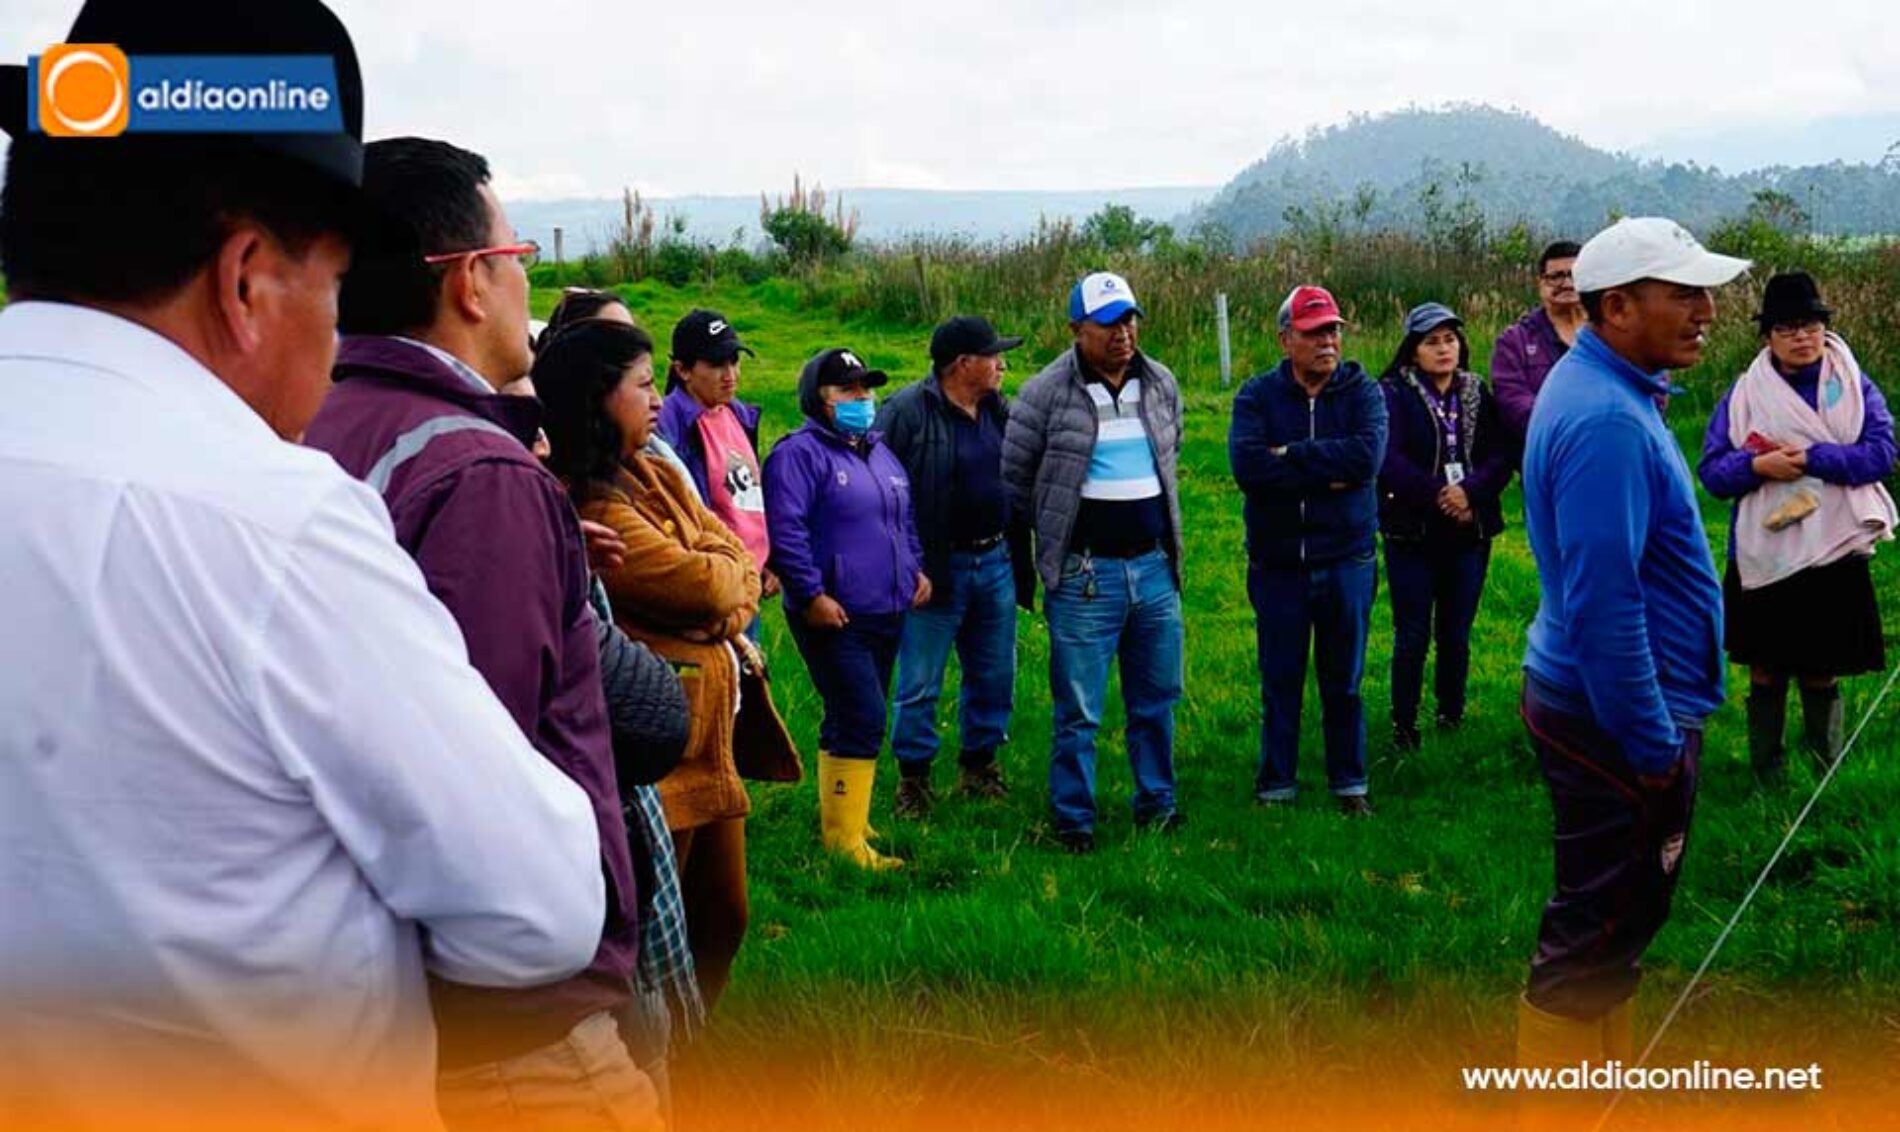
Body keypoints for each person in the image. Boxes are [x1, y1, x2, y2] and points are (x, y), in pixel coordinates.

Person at [0, 4, 604, 1129]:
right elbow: (539, 908)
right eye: (330, 292)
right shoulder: (270, 525)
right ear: (244, 281)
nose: (332, 348)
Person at [301, 138, 657, 1131]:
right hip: (514, 1042)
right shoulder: (476, 474)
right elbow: (478, 793)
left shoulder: (311, 425)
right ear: (467, 281)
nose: (521, 284)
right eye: (518, 257)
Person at [1515, 217, 1748, 1068]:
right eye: (1682, 293)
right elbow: (1604, 605)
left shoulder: (1609, 390)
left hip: (1612, 703)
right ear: (1617, 307)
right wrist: (1653, 746)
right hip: (1616, 715)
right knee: (1594, 934)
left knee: (1610, 927)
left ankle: (1597, 1093)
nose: (1706, 312)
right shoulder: (1607, 422)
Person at [534, 320, 762, 1013]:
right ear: (600, 399)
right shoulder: (590, 501)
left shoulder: (656, 466)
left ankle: (691, 1059)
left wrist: (722, 597)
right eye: (641, 384)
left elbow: (734, 564)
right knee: (661, 928)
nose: (657, 397)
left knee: (726, 916)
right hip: (658, 746)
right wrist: (724, 592)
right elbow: (709, 583)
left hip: (709, 734)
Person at [498, 360, 704, 1121]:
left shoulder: (642, 475)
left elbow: (727, 561)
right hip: (551, 933)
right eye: (523, 420)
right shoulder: (515, 514)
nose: (541, 440)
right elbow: (702, 582)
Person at [1002, 272, 1186, 854]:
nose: (1123, 334)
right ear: (1077, 329)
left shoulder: (1160, 384)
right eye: (1108, 324)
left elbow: (1172, 451)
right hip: (1086, 577)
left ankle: (1158, 802)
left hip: (1154, 571)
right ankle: (1074, 818)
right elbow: (1015, 480)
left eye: (1129, 320)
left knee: (1156, 698)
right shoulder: (1043, 393)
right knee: (1079, 709)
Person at [1697, 271, 1896, 784]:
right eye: (1787, 328)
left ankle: (1823, 767)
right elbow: (1714, 472)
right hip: (1765, 552)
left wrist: (1813, 457)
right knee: (1765, 666)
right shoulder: (1744, 395)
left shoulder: (1852, 384)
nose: (1801, 337)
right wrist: (1757, 468)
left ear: (1824, 328)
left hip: (1833, 548)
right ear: (1767, 338)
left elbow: (1881, 454)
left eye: (1809, 325)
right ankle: (1768, 770)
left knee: (1821, 663)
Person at [765, 348, 929, 869]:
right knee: (862, 711)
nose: (862, 398)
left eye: (866, 389)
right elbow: (786, 529)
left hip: (887, 606)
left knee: (858, 712)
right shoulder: (799, 454)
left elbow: (902, 518)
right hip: (834, 611)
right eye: (848, 391)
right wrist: (811, 594)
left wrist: (916, 569)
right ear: (820, 399)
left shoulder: (879, 451)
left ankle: (849, 818)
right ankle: (844, 843)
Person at [1229, 286, 1387, 816]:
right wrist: (1326, 471)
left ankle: (1350, 783)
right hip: (1278, 564)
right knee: (1280, 678)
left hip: (1347, 559)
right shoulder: (1256, 396)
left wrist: (1291, 456)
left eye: (1333, 330)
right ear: (1285, 339)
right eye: (1314, 331)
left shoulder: (1363, 392)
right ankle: (1276, 784)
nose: (1328, 340)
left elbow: (1365, 460)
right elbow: (1250, 469)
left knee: (1344, 681)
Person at [876, 316, 1033, 817]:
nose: (1002, 363)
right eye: (993, 355)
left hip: (996, 560)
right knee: (920, 680)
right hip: (934, 570)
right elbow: (877, 488)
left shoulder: (998, 410)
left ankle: (980, 766)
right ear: (963, 364)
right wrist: (905, 563)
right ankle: (914, 779)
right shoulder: (906, 412)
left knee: (994, 671)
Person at [1376, 303, 1514, 751]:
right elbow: (1388, 458)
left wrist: (1470, 492)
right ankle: (1404, 724)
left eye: (1450, 340)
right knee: (1412, 632)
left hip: (1468, 529)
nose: (1443, 349)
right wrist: (1440, 494)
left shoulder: (1475, 391)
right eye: (1431, 341)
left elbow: (1500, 454)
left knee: (1456, 631)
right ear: (1412, 351)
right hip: (1412, 531)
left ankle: (1451, 715)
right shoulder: (1392, 394)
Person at [659, 309, 777, 606]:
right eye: (716, 364)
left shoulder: (739, 414)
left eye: (734, 361)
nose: (730, 375)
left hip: (748, 578)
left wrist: (768, 560)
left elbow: (747, 498)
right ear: (682, 370)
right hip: (711, 582)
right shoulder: (665, 425)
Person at [1493, 240, 1585, 445]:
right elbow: (1513, 404)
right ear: (1541, 282)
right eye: (1556, 277)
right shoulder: (1514, 341)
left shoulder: (1614, 333)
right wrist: (1574, 430)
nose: (1567, 284)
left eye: (1574, 275)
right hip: (1546, 457)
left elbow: (1650, 383)